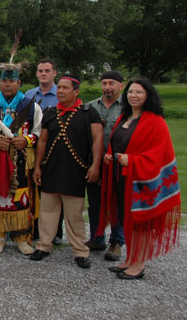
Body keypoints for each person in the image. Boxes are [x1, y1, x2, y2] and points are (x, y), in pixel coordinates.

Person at [98, 77, 180, 279]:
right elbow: (116, 142)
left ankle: (139, 264)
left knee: (140, 224)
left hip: (141, 181)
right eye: (131, 92)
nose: (133, 96)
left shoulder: (155, 122)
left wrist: (131, 160)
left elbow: (157, 155)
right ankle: (130, 260)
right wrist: (111, 154)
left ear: (148, 96)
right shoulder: (124, 117)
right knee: (127, 221)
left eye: (139, 92)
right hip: (122, 178)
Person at [31, 75, 103, 269]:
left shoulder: (89, 113)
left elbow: (98, 140)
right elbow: (43, 142)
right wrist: (38, 166)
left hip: (76, 170)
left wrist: (95, 165)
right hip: (51, 168)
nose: (60, 91)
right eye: (59, 88)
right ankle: (44, 245)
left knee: (74, 214)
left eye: (65, 88)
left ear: (76, 91)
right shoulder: (51, 113)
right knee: (47, 212)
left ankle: (80, 251)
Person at [0, 66, 42, 255]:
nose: (8, 84)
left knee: (21, 195)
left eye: (12, 81)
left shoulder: (30, 105)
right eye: (4, 81)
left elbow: (38, 132)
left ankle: (22, 237)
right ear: (0, 83)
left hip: (22, 159)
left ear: (19, 83)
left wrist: (26, 140)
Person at [85, 71, 125, 260]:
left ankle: (117, 241)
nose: (108, 87)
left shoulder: (128, 107)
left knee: (117, 202)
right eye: (104, 83)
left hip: (118, 162)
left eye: (112, 83)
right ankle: (96, 237)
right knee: (95, 202)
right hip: (95, 161)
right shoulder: (91, 106)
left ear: (121, 86)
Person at [25, 58, 63, 244]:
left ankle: (56, 232)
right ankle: (35, 227)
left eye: (47, 70)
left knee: (56, 191)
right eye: (40, 71)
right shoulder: (29, 95)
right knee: (34, 190)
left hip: (56, 150)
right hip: (32, 149)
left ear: (54, 73)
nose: (43, 74)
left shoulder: (61, 94)